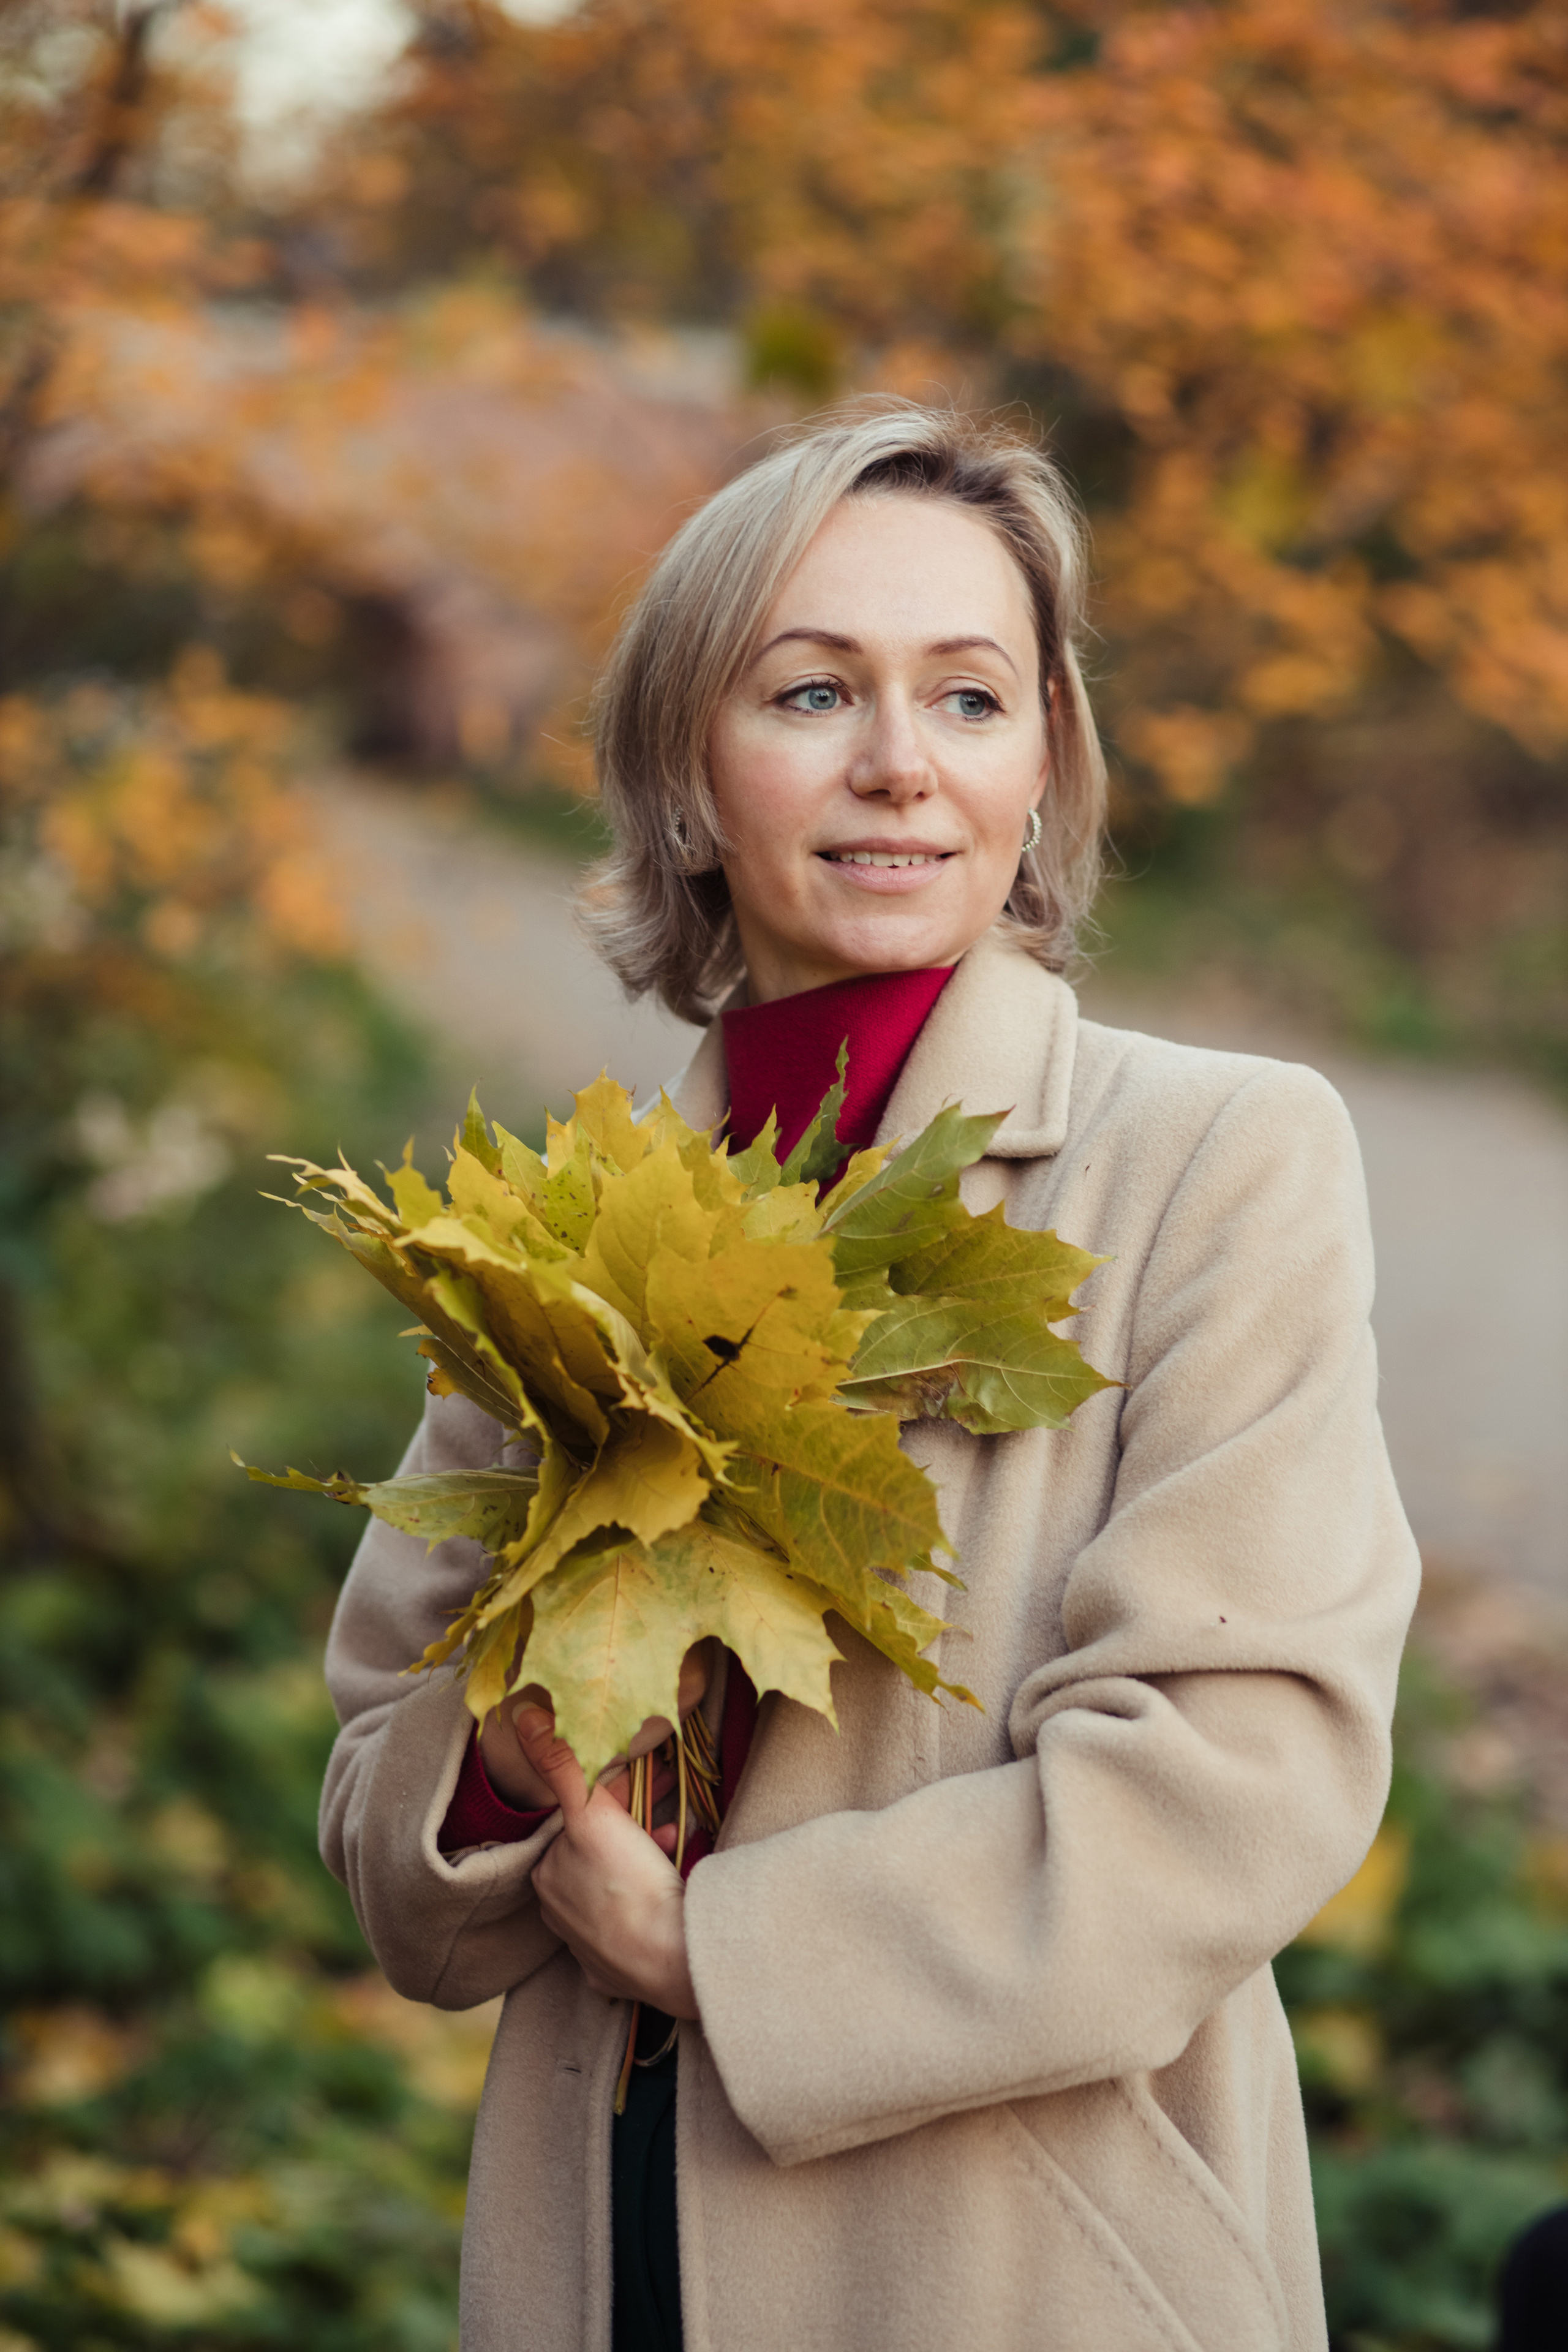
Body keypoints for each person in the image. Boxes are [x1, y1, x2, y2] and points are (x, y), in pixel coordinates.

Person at [319, 402, 1419, 2352]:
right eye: (814, 693)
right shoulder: (570, 1227)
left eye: (974, 700)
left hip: (1019, 2277)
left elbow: (1242, 1776)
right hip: (600, 2266)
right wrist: (504, 1763)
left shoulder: (1211, 1157)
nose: (901, 767)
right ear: (684, 773)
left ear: (1044, 760)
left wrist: (725, 1953)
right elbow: (391, 1847)